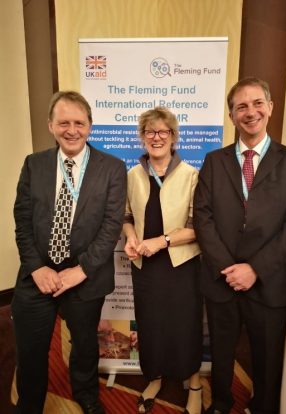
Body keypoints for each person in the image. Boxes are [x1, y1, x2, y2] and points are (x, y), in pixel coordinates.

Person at [193, 77, 286, 414]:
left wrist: (254, 269)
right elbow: (203, 217)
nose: (250, 111)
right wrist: (229, 269)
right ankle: (221, 403)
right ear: (231, 115)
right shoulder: (214, 161)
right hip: (222, 278)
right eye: (241, 106)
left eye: (257, 103)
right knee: (221, 353)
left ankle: (263, 406)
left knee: (267, 358)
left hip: (268, 281)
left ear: (270, 108)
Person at [12, 91, 127, 414]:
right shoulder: (34, 165)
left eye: (79, 122)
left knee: (85, 345)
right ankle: (30, 404)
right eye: (64, 122)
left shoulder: (113, 168)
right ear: (51, 125)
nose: (71, 130)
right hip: (38, 276)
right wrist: (36, 268)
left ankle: (86, 394)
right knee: (30, 349)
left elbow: (111, 226)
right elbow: (21, 219)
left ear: (90, 126)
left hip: (85, 277)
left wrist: (81, 270)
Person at [123, 107, 203, 414]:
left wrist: (163, 241)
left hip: (181, 265)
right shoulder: (133, 175)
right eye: (150, 132)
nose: (156, 138)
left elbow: (197, 228)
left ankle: (193, 384)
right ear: (142, 137)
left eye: (163, 132)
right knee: (151, 325)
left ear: (173, 137)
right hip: (146, 267)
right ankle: (154, 377)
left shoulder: (191, 174)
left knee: (186, 326)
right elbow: (126, 217)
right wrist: (131, 237)